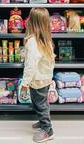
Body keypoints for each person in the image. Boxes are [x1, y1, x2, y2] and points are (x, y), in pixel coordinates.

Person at [20, 8, 55, 143]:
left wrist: (24, 84)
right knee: (40, 103)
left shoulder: (32, 41)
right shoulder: (46, 40)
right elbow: (51, 61)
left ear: (32, 22)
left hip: (37, 80)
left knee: (40, 105)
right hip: (44, 78)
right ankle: (42, 122)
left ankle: (47, 129)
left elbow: (30, 66)